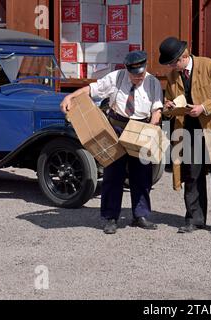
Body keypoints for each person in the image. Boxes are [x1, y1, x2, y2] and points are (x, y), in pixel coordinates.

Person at [60, 51, 163, 234]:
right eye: (135, 75)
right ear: (127, 69)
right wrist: (70, 97)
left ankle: (141, 215)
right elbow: (91, 90)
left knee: (142, 174)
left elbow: (157, 109)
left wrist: (152, 127)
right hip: (115, 128)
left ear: (146, 67)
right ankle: (110, 217)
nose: (138, 78)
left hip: (140, 128)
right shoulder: (116, 78)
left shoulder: (153, 82)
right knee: (112, 174)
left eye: (141, 73)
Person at [159, 37, 211, 236]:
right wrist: (168, 106)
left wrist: (202, 107)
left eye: (172, 62)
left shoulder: (209, 65)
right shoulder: (172, 76)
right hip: (187, 130)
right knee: (191, 175)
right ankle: (194, 218)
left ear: (183, 58)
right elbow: (169, 101)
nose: (170, 67)